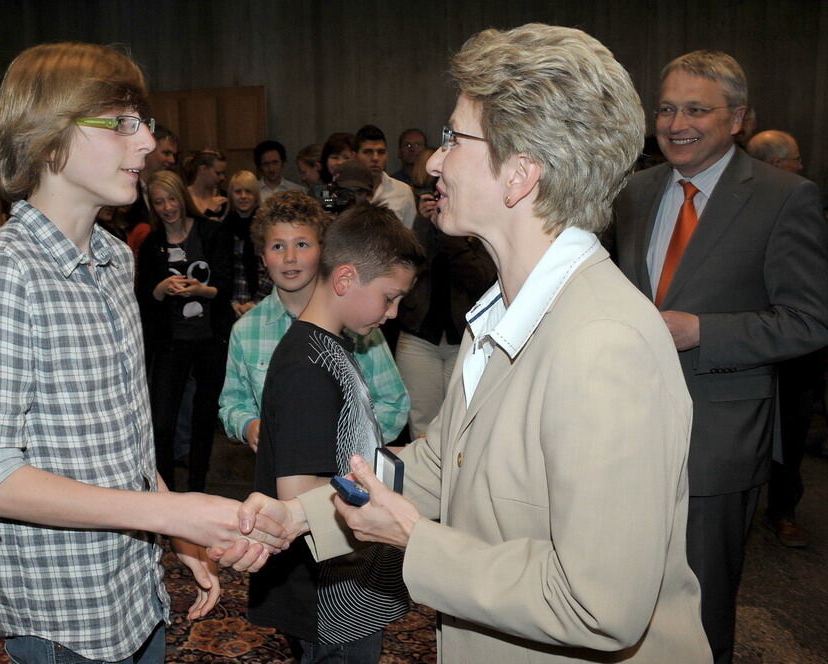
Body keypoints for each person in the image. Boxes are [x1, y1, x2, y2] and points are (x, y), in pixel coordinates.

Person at [237, 23, 712, 664]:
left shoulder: (604, 344)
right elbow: (443, 466)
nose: (433, 160)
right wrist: (303, 516)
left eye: (454, 138)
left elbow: (601, 609)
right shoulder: (504, 314)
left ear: (519, 174)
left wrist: (415, 542)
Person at [0, 42, 286, 663]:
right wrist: (172, 509)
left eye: (143, 123)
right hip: (63, 616)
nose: (147, 143)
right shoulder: (2, 274)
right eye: (120, 124)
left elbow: (121, 437)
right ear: (48, 137)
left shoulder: (113, 258)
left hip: (133, 592)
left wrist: (171, 527)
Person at [611, 51, 828, 663]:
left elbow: (810, 321)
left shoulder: (785, 198)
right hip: (625, 429)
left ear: (737, 118)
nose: (677, 122)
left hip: (717, 437)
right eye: (667, 108)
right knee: (624, 594)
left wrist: (702, 330)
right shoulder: (635, 192)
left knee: (700, 610)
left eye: (696, 109)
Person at [249, 202, 421, 663]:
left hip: (348, 585)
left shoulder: (333, 347)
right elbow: (299, 494)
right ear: (345, 279)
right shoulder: (307, 366)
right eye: (389, 296)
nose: (392, 312)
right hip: (328, 597)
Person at [219, 190, 409, 452]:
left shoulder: (355, 322)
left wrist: (348, 442)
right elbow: (233, 403)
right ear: (262, 258)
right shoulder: (246, 330)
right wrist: (248, 425)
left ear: (323, 252)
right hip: (280, 471)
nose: (289, 257)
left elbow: (393, 401)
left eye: (302, 244)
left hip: (348, 469)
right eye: (277, 246)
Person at [137, 170, 233, 492]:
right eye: (159, 202)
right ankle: (165, 491)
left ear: (183, 197)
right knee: (161, 423)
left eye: (172, 199)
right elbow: (143, 297)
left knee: (203, 419)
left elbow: (226, 286)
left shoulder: (212, 232)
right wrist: (161, 288)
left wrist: (200, 291)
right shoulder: (152, 244)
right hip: (170, 343)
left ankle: (196, 488)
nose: (167, 207)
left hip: (209, 339)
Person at [746, 128, 816, 548]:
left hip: (791, 344)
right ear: (774, 164)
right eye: (794, 157)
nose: (801, 165)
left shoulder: (801, 199)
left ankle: (782, 511)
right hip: (744, 339)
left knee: (791, 429)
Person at [396, 148, 496, 437]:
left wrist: (450, 232)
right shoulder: (421, 225)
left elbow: (480, 278)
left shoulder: (477, 226)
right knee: (422, 423)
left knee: (459, 422)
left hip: (462, 337)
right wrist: (425, 225)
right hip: (418, 336)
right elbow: (408, 270)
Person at [224, 170, 272, 317]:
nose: (243, 196)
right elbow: (219, 269)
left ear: (256, 195)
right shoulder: (222, 229)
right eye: (238, 192)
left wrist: (256, 302)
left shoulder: (267, 228)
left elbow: (272, 267)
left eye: (248, 192)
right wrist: (231, 302)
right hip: (230, 304)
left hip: (265, 302)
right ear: (231, 195)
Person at [354, 124, 416, 228]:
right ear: (355, 156)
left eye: (381, 152)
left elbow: (409, 236)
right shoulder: (346, 190)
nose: (375, 158)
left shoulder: (403, 192)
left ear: (387, 156)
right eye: (368, 152)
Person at [184, 149, 230, 221]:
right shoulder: (183, 197)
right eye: (218, 173)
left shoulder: (224, 197)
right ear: (203, 169)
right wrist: (209, 212)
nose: (222, 178)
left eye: (223, 173)